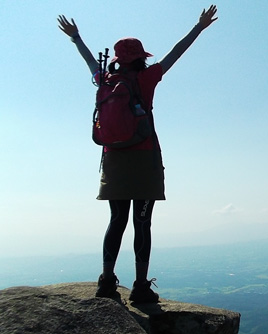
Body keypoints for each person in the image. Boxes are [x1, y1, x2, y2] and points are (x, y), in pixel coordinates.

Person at [57, 6, 218, 303]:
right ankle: (140, 286)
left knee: (116, 219)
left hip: (113, 159)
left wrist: (76, 37)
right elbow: (174, 53)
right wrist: (199, 27)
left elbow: (90, 61)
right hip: (144, 157)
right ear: (141, 58)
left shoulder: (105, 79)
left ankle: (106, 281)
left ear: (119, 60)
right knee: (142, 222)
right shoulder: (147, 79)